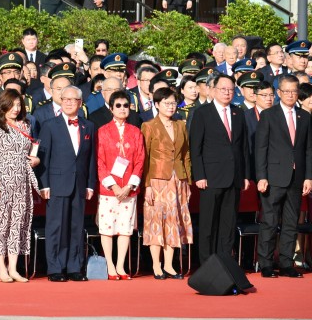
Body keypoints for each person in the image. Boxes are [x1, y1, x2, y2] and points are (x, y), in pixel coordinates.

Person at [254, 75, 312, 278]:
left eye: (294, 91)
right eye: (286, 91)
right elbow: (261, 148)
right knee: (269, 222)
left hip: (297, 179)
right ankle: (266, 263)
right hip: (273, 177)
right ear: (279, 93)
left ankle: (287, 263)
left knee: (290, 222)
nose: (290, 95)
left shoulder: (305, 117)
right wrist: (261, 176)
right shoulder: (269, 115)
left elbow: (308, 149)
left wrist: (308, 177)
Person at [188, 73, 249, 265]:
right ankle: (207, 264)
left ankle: (225, 262)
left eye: (231, 89)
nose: (227, 93)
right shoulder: (202, 113)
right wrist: (199, 175)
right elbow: (195, 147)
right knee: (208, 224)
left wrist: (245, 175)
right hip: (211, 177)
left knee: (228, 223)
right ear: (213, 90)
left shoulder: (238, 113)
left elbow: (243, 147)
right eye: (223, 89)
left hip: (234, 177)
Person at [37, 85, 96, 281]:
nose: (69, 103)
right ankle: (55, 268)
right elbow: (43, 159)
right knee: (56, 228)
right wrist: (44, 185)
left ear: (80, 103)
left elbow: (91, 159)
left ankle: (74, 267)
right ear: (61, 101)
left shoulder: (89, 126)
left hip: (79, 185)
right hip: (56, 183)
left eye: (73, 100)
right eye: (66, 99)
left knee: (76, 227)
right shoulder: (49, 125)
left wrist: (90, 184)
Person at [0, 90, 39, 283]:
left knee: (18, 224)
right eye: (12, 105)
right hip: (3, 180)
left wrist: (36, 159)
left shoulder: (26, 125)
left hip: (22, 180)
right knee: (0, 224)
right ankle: (1, 268)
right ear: (3, 105)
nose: (16, 109)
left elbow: (31, 150)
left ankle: (14, 268)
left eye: (18, 105)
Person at [141, 87, 193, 279]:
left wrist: (187, 179)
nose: (171, 107)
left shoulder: (181, 125)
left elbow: (186, 154)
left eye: (173, 103)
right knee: (157, 222)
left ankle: (170, 265)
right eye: (166, 103)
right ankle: (156, 265)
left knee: (174, 222)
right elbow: (144, 157)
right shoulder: (149, 126)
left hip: (178, 180)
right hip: (157, 179)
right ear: (157, 105)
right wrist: (146, 185)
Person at [95, 90, 145, 280]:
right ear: (111, 108)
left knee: (125, 229)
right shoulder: (103, 131)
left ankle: (121, 266)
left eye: (126, 105)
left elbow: (140, 160)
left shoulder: (136, 132)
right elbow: (99, 162)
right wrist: (114, 186)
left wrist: (130, 186)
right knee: (107, 229)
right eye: (118, 105)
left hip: (129, 190)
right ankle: (110, 266)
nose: (122, 109)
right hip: (109, 190)